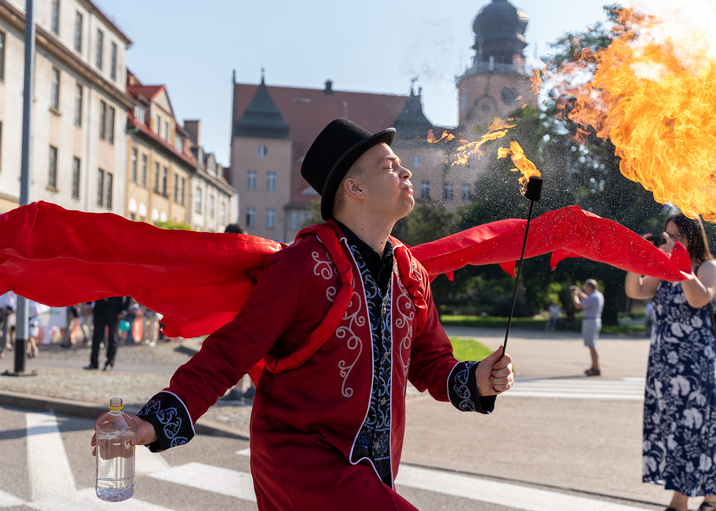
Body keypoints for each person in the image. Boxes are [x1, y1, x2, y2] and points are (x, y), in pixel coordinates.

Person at [95, 118, 514, 510]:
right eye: (389, 166)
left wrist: (477, 378)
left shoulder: (410, 275)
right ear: (355, 188)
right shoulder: (301, 266)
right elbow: (230, 353)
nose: (405, 173)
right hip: (300, 461)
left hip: (373, 468)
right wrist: (155, 419)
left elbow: (428, 361)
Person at [624, 212, 716, 511]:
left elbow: (699, 299)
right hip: (662, 364)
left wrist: (680, 265)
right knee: (672, 428)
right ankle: (714, 500)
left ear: (692, 237)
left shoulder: (707, 267)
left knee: (692, 428)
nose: (671, 241)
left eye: (677, 236)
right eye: (667, 235)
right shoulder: (662, 269)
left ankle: (679, 503)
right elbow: (636, 291)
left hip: (693, 366)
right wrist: (637, 257)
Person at [85, 296, 129, 371]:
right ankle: (93, 362)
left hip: (115, 309)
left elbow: (127, 293)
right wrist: (88, 304)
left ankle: (109, 362)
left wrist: (124, 309)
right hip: (99, 308)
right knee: (96, 336)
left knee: (113, 336)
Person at [571, 279, 604, 376]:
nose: (585, 289)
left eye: (585, 287)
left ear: (589, 287)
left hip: (590, 321)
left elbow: (578, 305)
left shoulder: (593, 297)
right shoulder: (598, 295)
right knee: (592, 345)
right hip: (594, 320)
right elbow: (587, 299)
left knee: (592, 346)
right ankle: (594, 366)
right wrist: (580, 293)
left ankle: (596, 368)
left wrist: (575, 296)